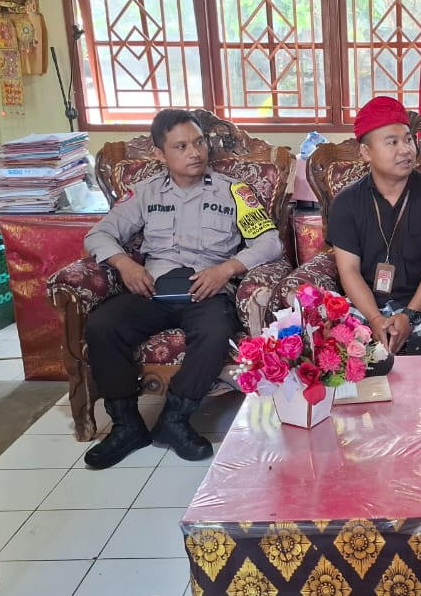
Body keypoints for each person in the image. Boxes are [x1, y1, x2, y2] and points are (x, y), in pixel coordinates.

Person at [81, 108, 284, 469]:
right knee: (102, 325)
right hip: (153, 289)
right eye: (181, 147)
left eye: (198, 143)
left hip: (206, 289)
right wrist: (125, 264)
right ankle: (127, 424)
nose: (195, 153)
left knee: (216, 331)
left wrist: (226, 269)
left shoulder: (234, 192)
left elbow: (270, 242)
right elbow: (99, 233)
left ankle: (175, 419)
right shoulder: (143, 193)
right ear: (160, 154)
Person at [326, 96, 421, 361]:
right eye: (392, 142)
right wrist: (375, 318)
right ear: (366, 152)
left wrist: (409, 316)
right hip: (365, 303)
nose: (406, 150)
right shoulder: (346, 202)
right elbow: (349, 270)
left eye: (408, 139)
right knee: (345, 344)